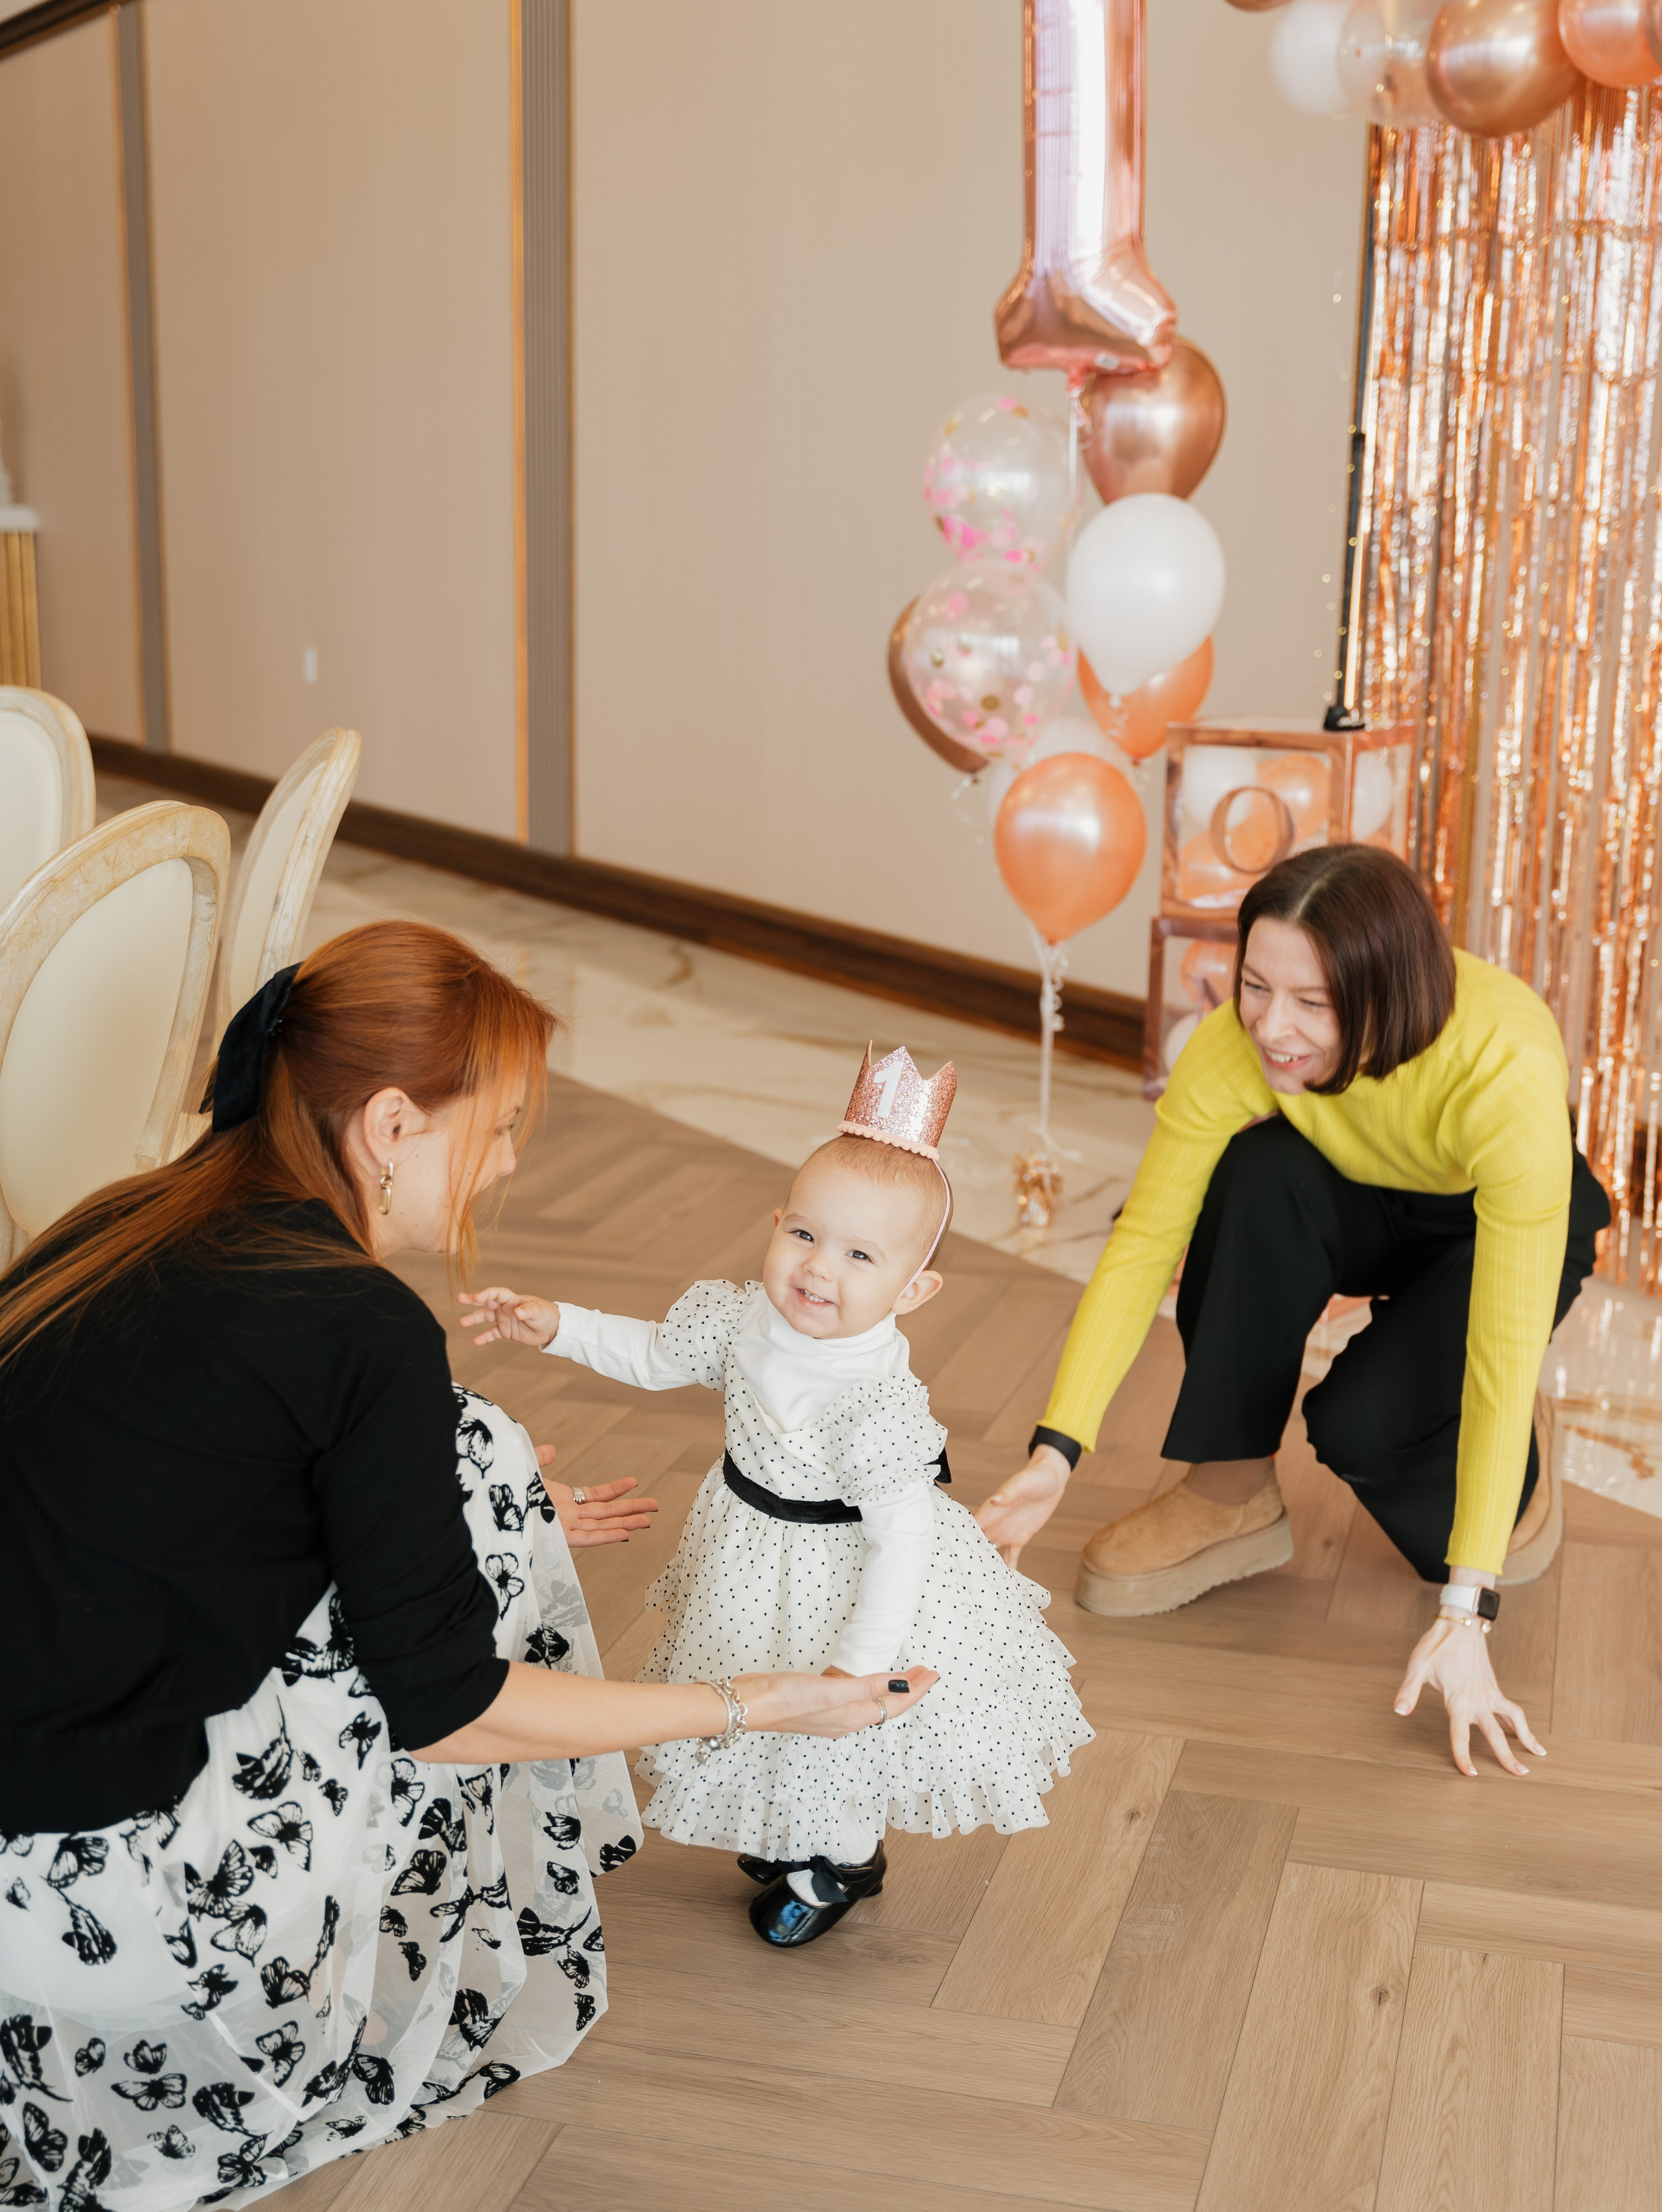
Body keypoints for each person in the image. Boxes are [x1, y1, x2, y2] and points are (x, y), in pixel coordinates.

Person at [0, 922, 933, 2211]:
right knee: (470, 1494)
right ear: (390, 1124)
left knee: (474, 1454)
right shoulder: (361, 1324)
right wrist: (762, 1702)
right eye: (494, 1129)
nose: (505, 1166)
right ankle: (412, 1960)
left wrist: (455, 1482)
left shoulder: (127, 1215)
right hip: (84, 1904)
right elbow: (453, 1714)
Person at [976, 845, 1609, 1780]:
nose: (1273, 1027)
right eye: (1255, 985)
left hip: (1491, 1225)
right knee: (1254, 1175)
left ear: (1386, 992)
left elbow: (1502, 1348)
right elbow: (1145, 1240)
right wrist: (1054, 1451)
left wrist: (1465, 1607)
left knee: (1362, 1425)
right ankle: (1229, 1489)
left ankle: (1518, 1464)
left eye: (1313, 1002)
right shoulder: (1244, 1040)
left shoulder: (1503, 1063)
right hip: (1359, 1186)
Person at [462, 1044, 1091, 1947]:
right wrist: (558, 1324)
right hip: (751, 1549)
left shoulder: (872, 1398)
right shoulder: (742, 1315)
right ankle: (786, 1825)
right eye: (804, 1233)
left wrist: (857, 1670)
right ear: (777, 1221)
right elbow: (652, 1354)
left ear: (915, 1288)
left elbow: (902, 1539)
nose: (818, 1268)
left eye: (860, 1254)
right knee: (750, 1688)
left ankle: (836, 1860)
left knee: (823, 1726)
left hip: (842, 1578)